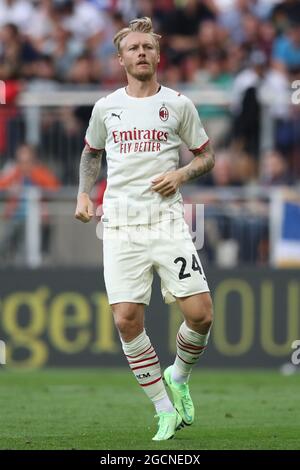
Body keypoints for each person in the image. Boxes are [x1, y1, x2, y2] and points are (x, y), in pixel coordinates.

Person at [75, 17, 214, 442]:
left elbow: (206, 156)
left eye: (147, 48)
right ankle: (163, 409)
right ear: (121, 59)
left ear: (157, 55)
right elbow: (90, 153)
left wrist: (182, 175)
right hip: (119, 226)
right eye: (133, 48)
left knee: (201, 314)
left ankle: (179, 374)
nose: (141, 53)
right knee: (127, 320)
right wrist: (84, 195)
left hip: (166, 222)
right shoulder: (106, 107)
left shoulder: (178, 104)